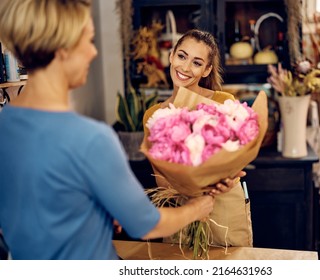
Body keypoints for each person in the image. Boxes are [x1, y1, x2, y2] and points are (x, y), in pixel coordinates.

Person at [0, 0, 216, 260]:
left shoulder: (7, 121)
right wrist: (198, 207)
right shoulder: (91, 139)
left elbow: (42, 202)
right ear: (63, 50)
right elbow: (147, 224)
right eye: (88, 41)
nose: (93, 52)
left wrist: (96, 210)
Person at [143, 29, 253, 247]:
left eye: (196, 62)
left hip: (225, 204)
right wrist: (192, 192)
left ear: (206, 70)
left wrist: (223, 182)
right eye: (182, 56)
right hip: (179, 210)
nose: (185, 67)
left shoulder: (225, 103)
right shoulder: (153, 116)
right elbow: (161, 178)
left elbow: (236, 161)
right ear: (171, 56)